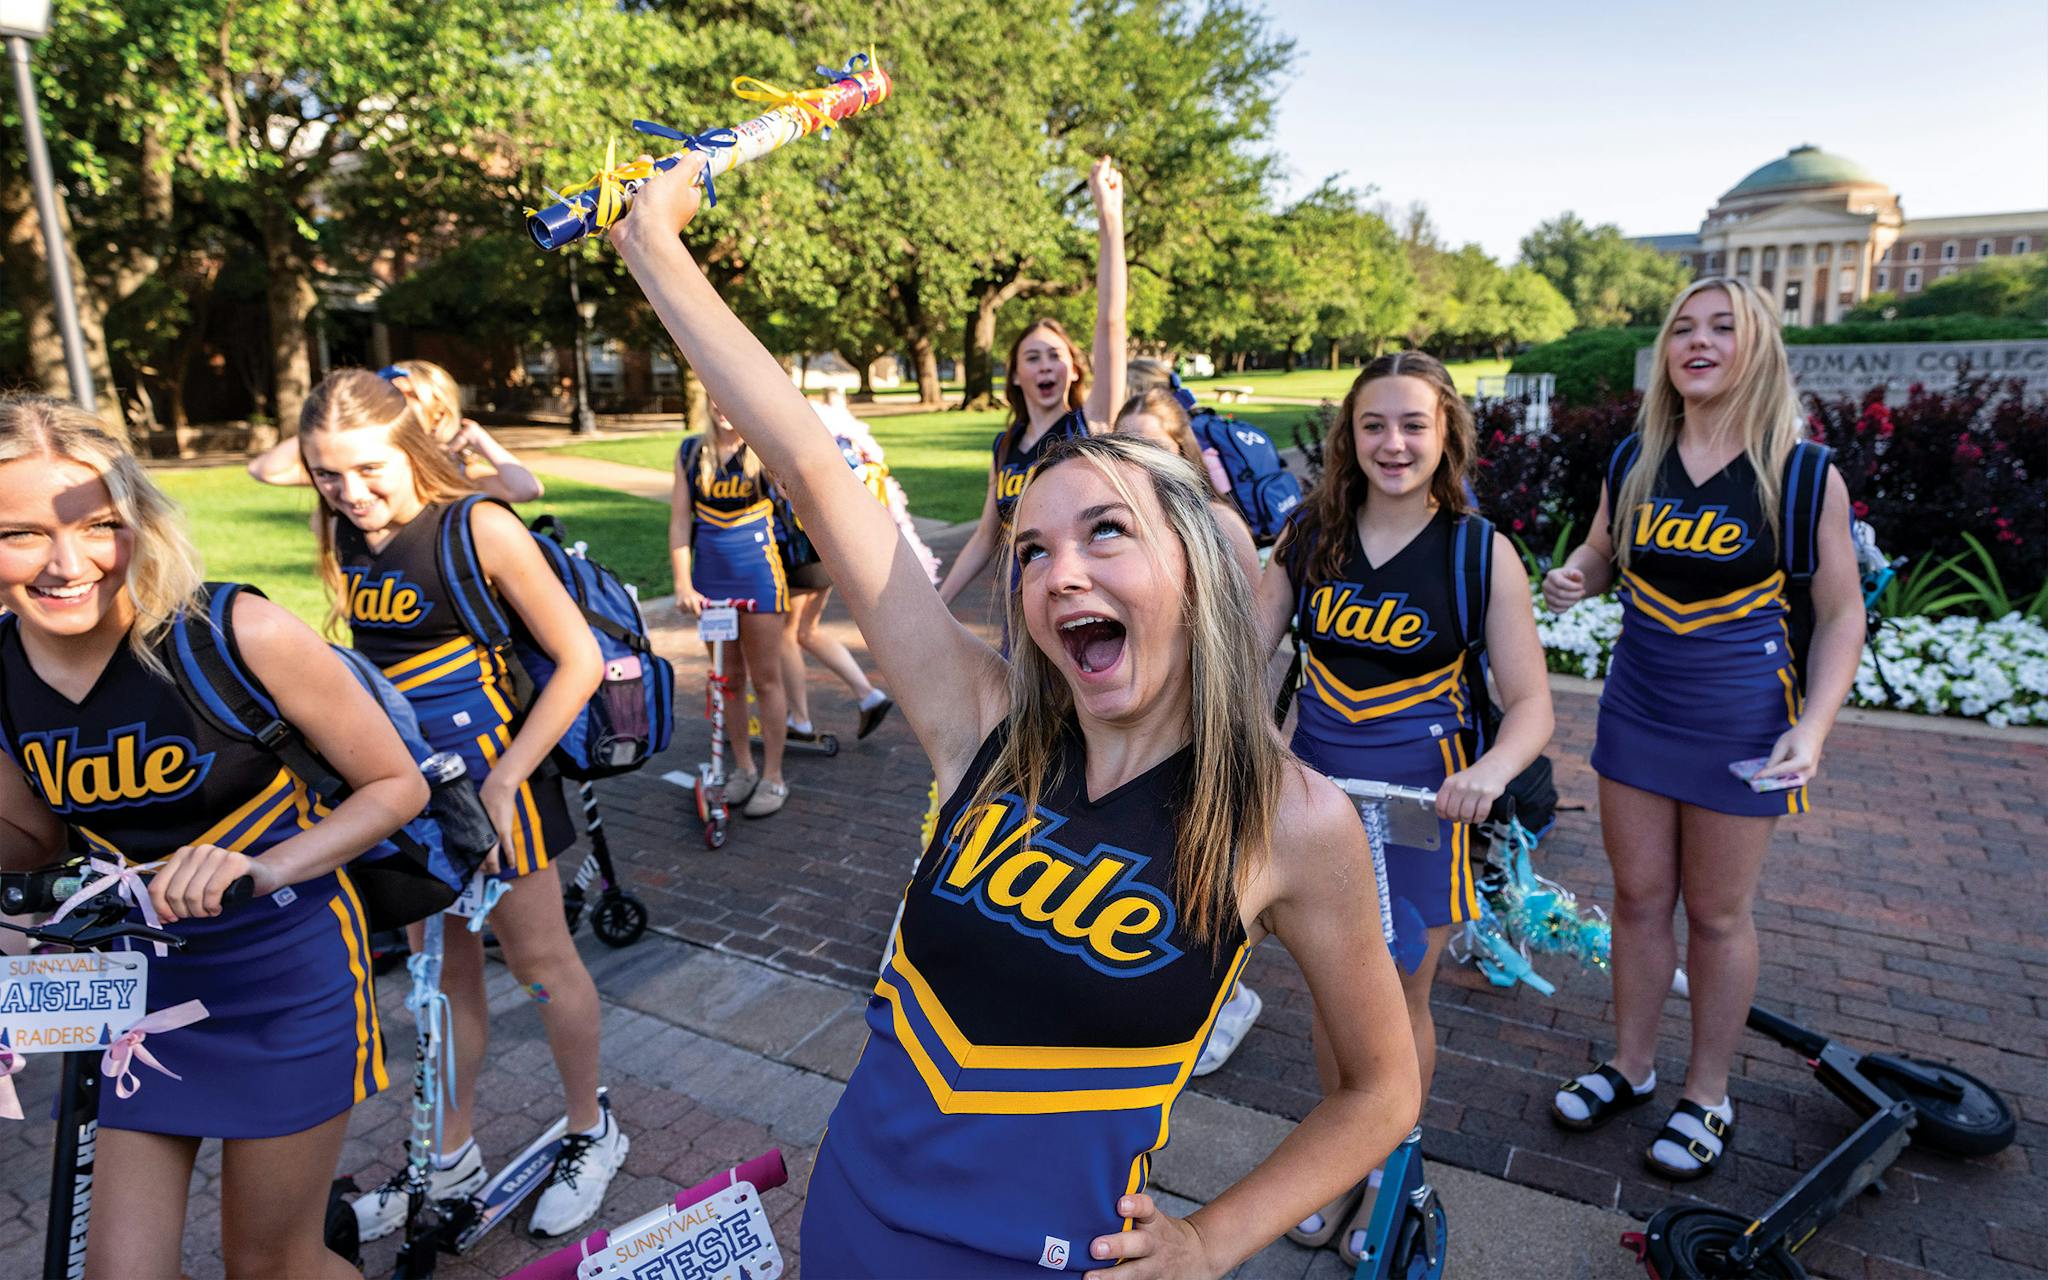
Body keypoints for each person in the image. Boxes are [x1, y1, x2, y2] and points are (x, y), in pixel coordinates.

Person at [611, 150, 1419, 1279]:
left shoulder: (1287, 818)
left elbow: (1382, 1087)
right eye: (1031, 548)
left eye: (1103, 533)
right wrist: (654, 245)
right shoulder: (984, 719)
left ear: (1192, 565)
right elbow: (807, 458)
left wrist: (1207, 1238)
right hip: (851, 1218)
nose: (1053, 572)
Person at [0, 394, 427, 1278]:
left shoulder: (233, 631)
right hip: (143, 997)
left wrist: (262, 868)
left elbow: (397, 785)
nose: (67, 563)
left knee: (270, 1265)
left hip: (286, 979)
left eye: (99, 525)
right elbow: (37, 846)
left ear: (139, 520)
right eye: (20, 534)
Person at [1542, 277, 1861, 1180]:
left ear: (1758, 345)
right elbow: (1604, 554)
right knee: (1639, 900)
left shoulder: (1803, 472)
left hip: (1742, 724)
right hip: (1638, 707)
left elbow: (1841, 615)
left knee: (1717, 915)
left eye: (1723, 327)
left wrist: (1814, 726)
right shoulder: (1636, 457)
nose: (1699, 341)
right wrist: (1577, 574)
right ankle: (1631, 1067)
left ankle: (1707, 1095)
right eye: (1683, 327)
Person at [295, 369, 624, 1238]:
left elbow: (580, 661)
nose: (351, 493)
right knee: (441, 982)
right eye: (328, 474)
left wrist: (509, 776)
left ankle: (594, 1130)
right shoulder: (350, 537)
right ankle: (447, 1155)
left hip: (503, 784)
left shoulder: (477, 524)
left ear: (411, 447)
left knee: (542, 969)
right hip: (412, 798)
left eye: (369, 469)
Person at [1254, 352, 1554, 1261]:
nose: (1393, 442)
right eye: (1374, 424)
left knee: (1399, 992)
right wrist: (1264, 746)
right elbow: (1239, 659)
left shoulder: (1478, 552)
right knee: (1330, 985)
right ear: (1350, 434)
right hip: (1318, 806)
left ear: (1446, 435)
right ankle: (1334, 1160)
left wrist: (1491, 771)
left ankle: (1388, 1163)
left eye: (1413, 424)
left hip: (1429, 809)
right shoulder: (1308, 537)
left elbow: (1533, 704)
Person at [936, 158, 1127, 610]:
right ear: (1017, 376)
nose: (1046, 367)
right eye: (1033, 358)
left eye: (1056, 356)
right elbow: (986, 538)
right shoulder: (1005, 446)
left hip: (1082, 607)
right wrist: (936, 603)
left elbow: (1112, 322)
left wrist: (1109, 219)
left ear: (1075, 370)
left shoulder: (1091, 426)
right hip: (1022, 613)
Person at [669, 401, 794, 816]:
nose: (723, 407)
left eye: (731, 397)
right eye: (715, 397)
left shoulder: (765, 451)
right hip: (709, 584)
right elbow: (679, 523)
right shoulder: (690, 452)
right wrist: (683, 583)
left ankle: (774, 775)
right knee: (728, 681)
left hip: (759, 578)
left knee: (767, 679)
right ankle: (743, 767)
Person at [248, 359, 544, 505]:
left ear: (438, 411)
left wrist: (478, 437)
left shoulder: (458, 473)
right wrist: (331, 420)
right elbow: (265, 470)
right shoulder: (363, 469)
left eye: (404, 397)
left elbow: (526, 489)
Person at [773, 403, 896, 744]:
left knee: (787, 633)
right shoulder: (833, 440)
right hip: (825, 550)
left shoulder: (786, 444)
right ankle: (867, 694)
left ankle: (799, 720)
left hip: (799, 553)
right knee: (805, 631)